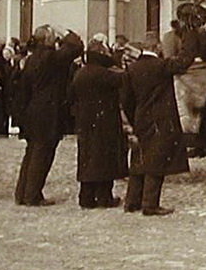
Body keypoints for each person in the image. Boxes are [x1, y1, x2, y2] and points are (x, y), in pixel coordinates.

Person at [121, 36, 194, 216]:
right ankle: (150, 204)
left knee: (139, 158)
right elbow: (184, 62)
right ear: (157, 47)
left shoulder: (132, 69)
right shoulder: (161, 65)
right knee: (156, 161)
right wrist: (191, 36)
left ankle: (131, 202)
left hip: (141, 118)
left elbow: (126, 99)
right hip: (161, 119)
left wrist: (133, 120)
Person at [13, 25, 84, 206]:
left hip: (33, 111)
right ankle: (32, 195)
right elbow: (76, 47)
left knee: (31, 153)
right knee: (42, 154)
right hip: (48, 113)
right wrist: (65, 32)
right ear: (47, 40)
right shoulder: (51, 57)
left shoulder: (31, 59)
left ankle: (22, 192)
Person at [69, 37, 129, 209]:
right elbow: (123, 80)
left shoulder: (80, 73)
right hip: (104, 121)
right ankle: (104, 197)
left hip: (84, 121)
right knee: (104, 158)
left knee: (87, 157)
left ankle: (86, 197)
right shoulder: (103, 73)